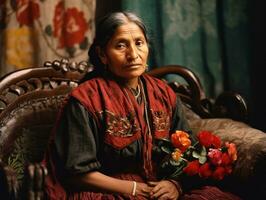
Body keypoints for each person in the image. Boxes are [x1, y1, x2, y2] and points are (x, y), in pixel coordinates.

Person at [43, 12, 241, 200]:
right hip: (107, 192)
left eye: (139, 43)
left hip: (159, 188)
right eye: (121, 46)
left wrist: (174, 184)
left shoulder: (163, 93)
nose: (133, 54)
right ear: (102, 54)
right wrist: (135, 189)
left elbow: (188, 152)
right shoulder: (86, 99)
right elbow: (77, 173)